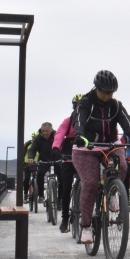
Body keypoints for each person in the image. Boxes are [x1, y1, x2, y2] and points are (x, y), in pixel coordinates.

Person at [72, 70, 130, 244]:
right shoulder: (85, 103)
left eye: (111, 93)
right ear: (97, 88)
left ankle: (112, 192)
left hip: (110, 145)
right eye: (105, 92)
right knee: (90, 182)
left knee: (123, 166)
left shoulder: (116, 105)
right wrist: (80, 135)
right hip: (86, 148)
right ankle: (86, 226)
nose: (108, 96)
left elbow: (127, 125)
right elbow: (79, 121)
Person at [53, 93, 83, 232]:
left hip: (84, 157)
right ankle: (65, 218)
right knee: (66, 186)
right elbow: (59, 133)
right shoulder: (68, 120)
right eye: (77, 106)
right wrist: (56, 146)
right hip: (68, 156)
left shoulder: (89, 120)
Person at [26, 122, 61, 204]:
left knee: (62, 178)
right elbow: (32, 149)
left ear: (51, 130)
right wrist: (30, 157)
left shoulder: (57, 136)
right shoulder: (38, 138)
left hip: (56, 160)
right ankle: (41, 195)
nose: (44, 133)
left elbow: (62, 145)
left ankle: (60, 199)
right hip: (44, 161)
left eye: (46, 131)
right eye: (42, 131)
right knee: (40, 174)